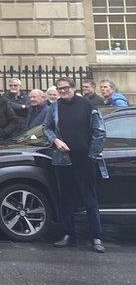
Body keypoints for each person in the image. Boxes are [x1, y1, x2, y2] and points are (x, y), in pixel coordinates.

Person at [44, 77, 107, 253]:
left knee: (89, 199)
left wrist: (91, 155)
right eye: (59, 89)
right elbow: (46, 127)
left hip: (83, 160)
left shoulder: (87, 106)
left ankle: (96, 237)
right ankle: (69, 234)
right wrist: (55, 140)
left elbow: (100, 132)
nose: (62, 91)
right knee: (65, 199)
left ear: (73, 88)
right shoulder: (55, 107)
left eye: (65, 88)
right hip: (62, 160)